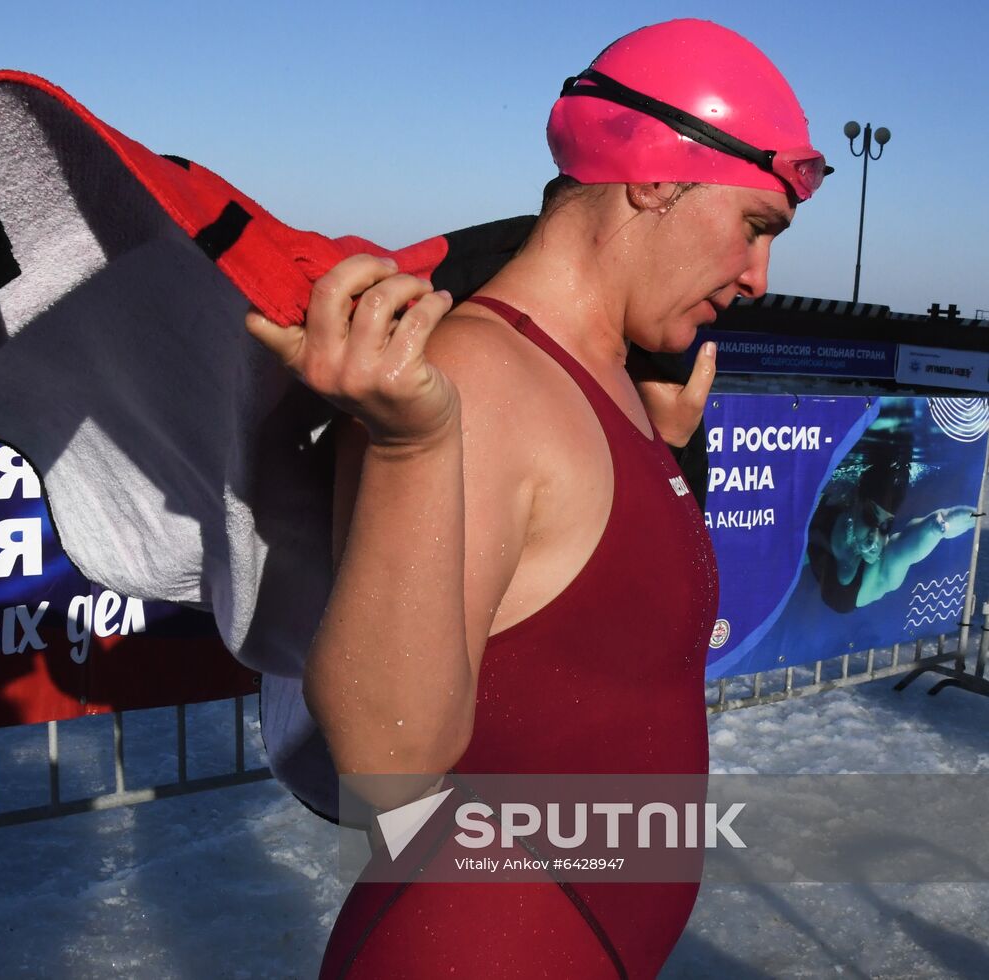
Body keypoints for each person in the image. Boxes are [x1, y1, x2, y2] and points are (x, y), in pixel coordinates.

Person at [246, 19, 827, 979]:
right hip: (476, 946)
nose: (761, 277)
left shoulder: (606, 381)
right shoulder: (472, 377)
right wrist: (409, 446)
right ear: (653, 174)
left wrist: (663, 459)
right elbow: (391, 773)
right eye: (756, 227)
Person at [807, 440, 976, 612]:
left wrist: (937, 527)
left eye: (885, 527)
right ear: (854, 504)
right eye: (869, 518)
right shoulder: (832, 501)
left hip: (845, 594)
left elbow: (903, 551)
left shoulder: (875, 574)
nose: (874, 538)